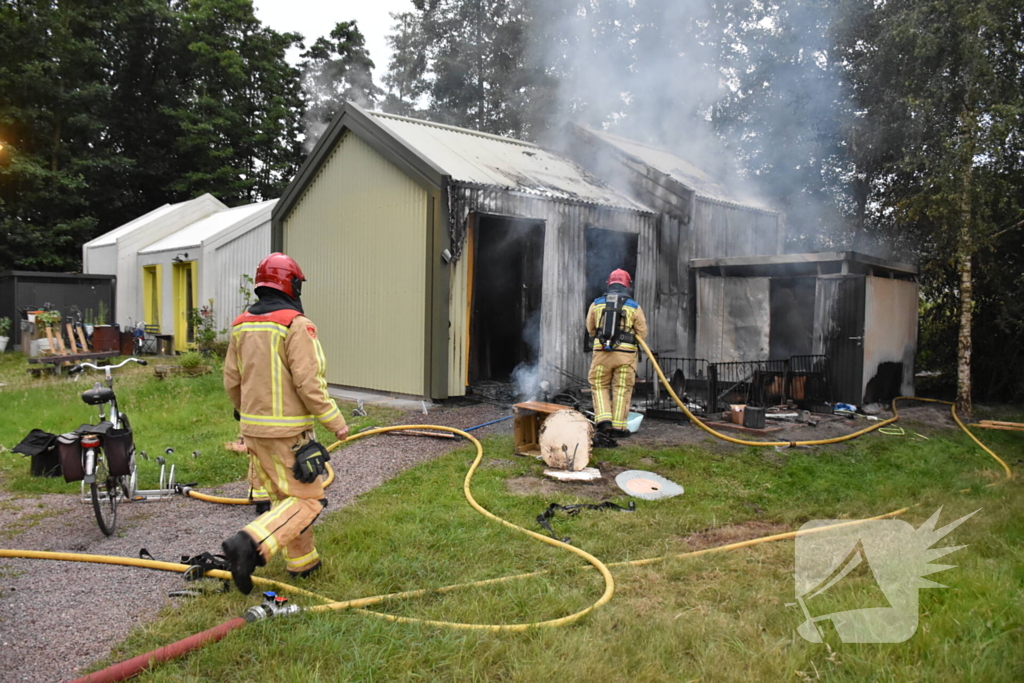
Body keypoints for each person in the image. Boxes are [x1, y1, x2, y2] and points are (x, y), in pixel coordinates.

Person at [220, 253, 349, 594]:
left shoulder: (241, 325)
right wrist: (335, 421)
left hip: (252, 431)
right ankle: (249, 544)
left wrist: (244, 410)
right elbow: (309, 382)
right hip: (287, 432)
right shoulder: (295, 324)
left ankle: (303, 565)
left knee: (284, 498)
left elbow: (232, 380)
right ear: (290, 284)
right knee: (309, 501)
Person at [586, 268, 648, 438]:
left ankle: (604, 421)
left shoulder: (596, 303)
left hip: (601, 354)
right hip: (625, 356)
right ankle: (619, 428)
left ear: (609, 283)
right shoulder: (634, 306)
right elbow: (642, 332)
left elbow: (591, 330)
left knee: (599, 385)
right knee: (622, 388)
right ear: (628, 286)